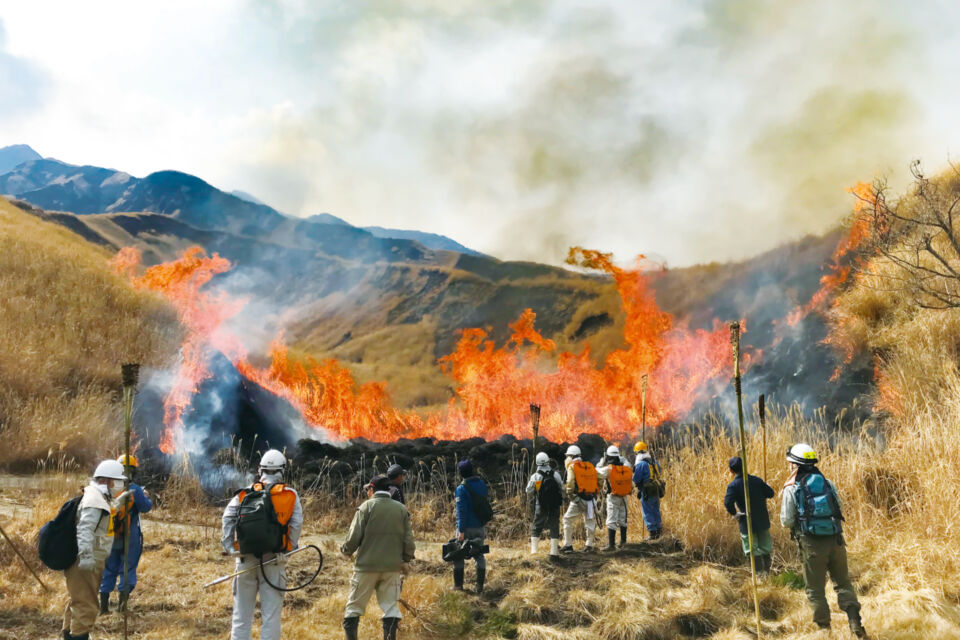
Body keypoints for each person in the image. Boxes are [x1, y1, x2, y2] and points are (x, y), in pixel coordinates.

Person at [780, 443, 867, 638]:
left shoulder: (792, 488)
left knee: (815, 589)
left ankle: (824, 631)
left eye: (790, 463)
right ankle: (855, 625)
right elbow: (840, 507)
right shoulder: (827, 483)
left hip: (811, 544)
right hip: (836, 541)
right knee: (843, 583)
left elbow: (786, 521)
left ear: (795, 465)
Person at [221, 449, 303, 640]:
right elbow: (296, 524)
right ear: (282, 471)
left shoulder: (245, 493)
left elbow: (227, 518)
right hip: (274, 561)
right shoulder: (289, 495)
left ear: (261, 470)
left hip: (245, 559)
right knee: (271, 617)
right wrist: (288, 550)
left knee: (241, 616)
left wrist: (230, 548)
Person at [341, 474, 416, 640]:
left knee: (354, 608)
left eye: (369, 489)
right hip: (392, 567)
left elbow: (353, 537)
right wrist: (406, 559)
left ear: (372, 489)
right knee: (391, 608)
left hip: (366, 567)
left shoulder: (366, 507)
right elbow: (409, 541)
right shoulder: (401, 509)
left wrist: (346, 550)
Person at [63, 459, 127, 640]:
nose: (119, 485)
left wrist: (119, 503)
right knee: (87, 606)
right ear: (107, 481)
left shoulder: (98, 496)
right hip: (85, 562)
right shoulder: (94, 500)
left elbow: (103, 514)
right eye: (118, 481)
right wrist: (86, 557)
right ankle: (78, 637)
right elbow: (85, 528)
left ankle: (69, 635)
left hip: (89, 559)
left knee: (78, 601)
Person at [99, 454, 153, 614]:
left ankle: (103, 607)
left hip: (110, 535)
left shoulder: (107, 488)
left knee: (108, 569)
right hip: (131, 537)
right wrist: (146, 496)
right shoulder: (134, 489)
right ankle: (122, 606)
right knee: (127, 569)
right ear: (133, 471)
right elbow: (146, 507)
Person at [723, 456, 774, 573]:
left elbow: (727, 503)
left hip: (746, 522)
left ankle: (758, 577)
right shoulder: (757, 480)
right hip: (762, 521)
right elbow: (770, 493)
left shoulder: (733, 486)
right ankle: (767, 574)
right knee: (766, 548)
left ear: (731, 471)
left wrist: (735, 513)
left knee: (752, 550)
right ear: (745, 467)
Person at [453, 459, 489, 592]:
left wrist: (461, 530)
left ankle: (458, 586)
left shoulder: (461, 489)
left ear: (461, 473)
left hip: (466, 528)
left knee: (458, 555)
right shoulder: (482, 484)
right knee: (479, 554)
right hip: (480, 526)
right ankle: (479, 586)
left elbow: (461, 511)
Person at [525, 452, 564, 560]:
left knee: (537, 525)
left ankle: (534, 551)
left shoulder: (535, 476)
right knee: (554, 525)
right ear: (548, 461)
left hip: (540, 504)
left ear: (537, 463)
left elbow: (528, 490)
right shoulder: (555, 474)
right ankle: (554, 552)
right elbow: (562, 488)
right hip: (554, 505)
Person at [561, 445, 598, 553]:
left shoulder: (572, 467)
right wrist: (595, 493)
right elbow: (599, 478)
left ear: (571, 456)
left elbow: (570, 483)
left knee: (567, 520)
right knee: (590, 521)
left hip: (579, 499)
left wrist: (572, 496)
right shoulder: (589, 466)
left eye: (568, 456)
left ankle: (568, 545)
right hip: (591, 499)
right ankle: (589, 545)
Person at [596, 445, 633, 551]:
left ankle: (611, 545)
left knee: (611, 520)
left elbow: (597, 472)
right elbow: (626, 463)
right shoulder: (626, 468)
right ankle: (623, 542)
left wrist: (602, 461)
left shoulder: (609, 469)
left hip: (613, 497)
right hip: (624, 497)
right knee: (622, 519)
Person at [632, 441, 663, 539]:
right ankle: (659, 531)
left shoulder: (641, 464)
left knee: (647, 511)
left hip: (647, 491)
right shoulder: (654, 462)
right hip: (657, 489)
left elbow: (636, 479)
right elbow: (659, 472)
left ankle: (652, 533)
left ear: (637, 453)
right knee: (655, 510)